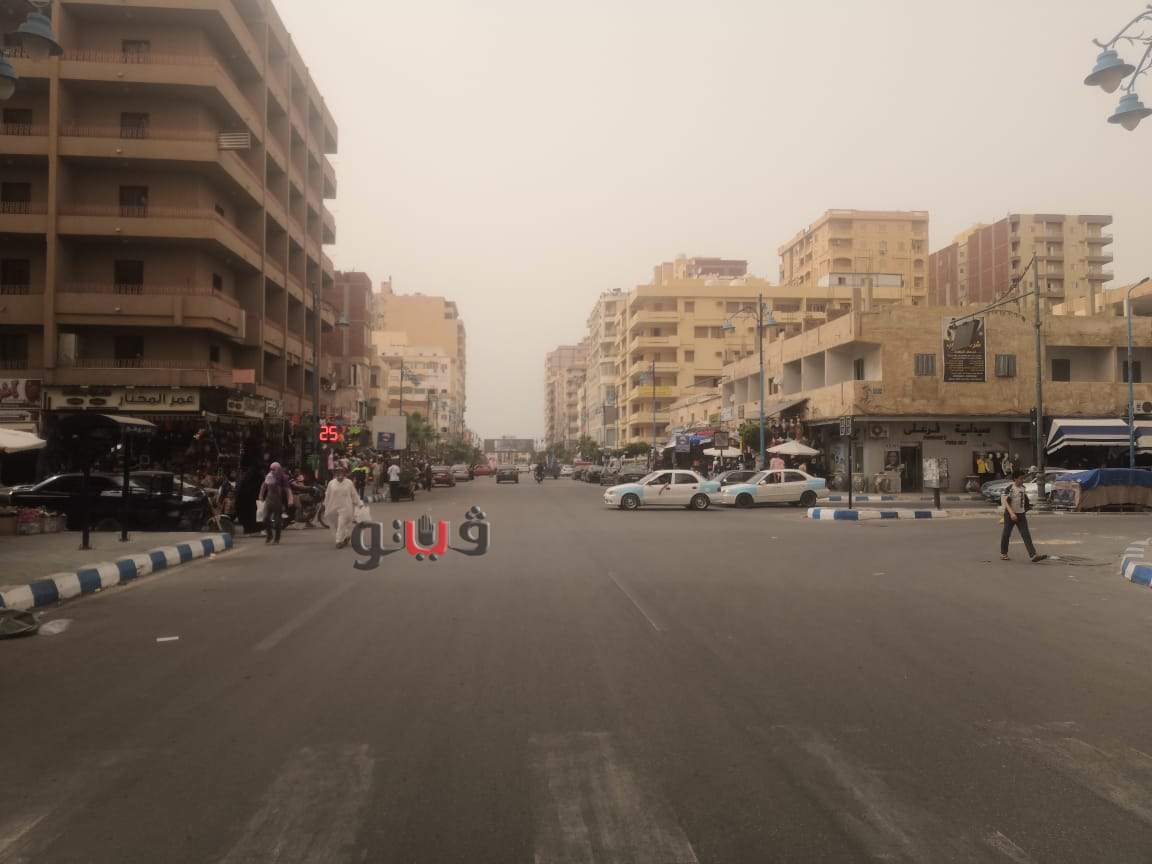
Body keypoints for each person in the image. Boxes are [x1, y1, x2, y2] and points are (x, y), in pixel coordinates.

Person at [1000, 471, 1046, 563]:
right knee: (1006, 534)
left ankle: (1033, 555)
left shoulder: (1023, 488)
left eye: (1023, 478)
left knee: (1026, 534)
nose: (1022, 480)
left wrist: (1026, 509)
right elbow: (1006, 502)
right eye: (1020, 478)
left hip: (1021, 514)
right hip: (1010, 515)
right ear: (1015, 479)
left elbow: (1023, 499)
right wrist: (1012, 514)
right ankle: (1004, 553)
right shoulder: (1010, 488)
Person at [324, 464, 362, 548]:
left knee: (341, 523)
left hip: (346, 507)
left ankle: (338, 541)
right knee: (336, 524)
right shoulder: (331, 483)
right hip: (333, 506)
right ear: (335, 474)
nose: (339, 474)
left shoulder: (349, 483)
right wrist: (325, 505)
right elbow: (327, 495)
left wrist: (359, 503)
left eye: (341, 472)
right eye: (337, 473)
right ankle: (346, 536)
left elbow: (354, 494)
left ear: (344, 474)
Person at [258, 462, 292, 545]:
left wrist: (290, 499)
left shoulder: (283, 477)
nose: (272, 471)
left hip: (278, 500)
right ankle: (269, 535)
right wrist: (261, 495)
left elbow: (288, 490)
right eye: (271, 469)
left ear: (279, 469)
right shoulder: (269, 476)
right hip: (269, 499)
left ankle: (277, 538)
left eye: (274, 469)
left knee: (277, 522)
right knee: (265, 518)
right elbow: (264, 486)